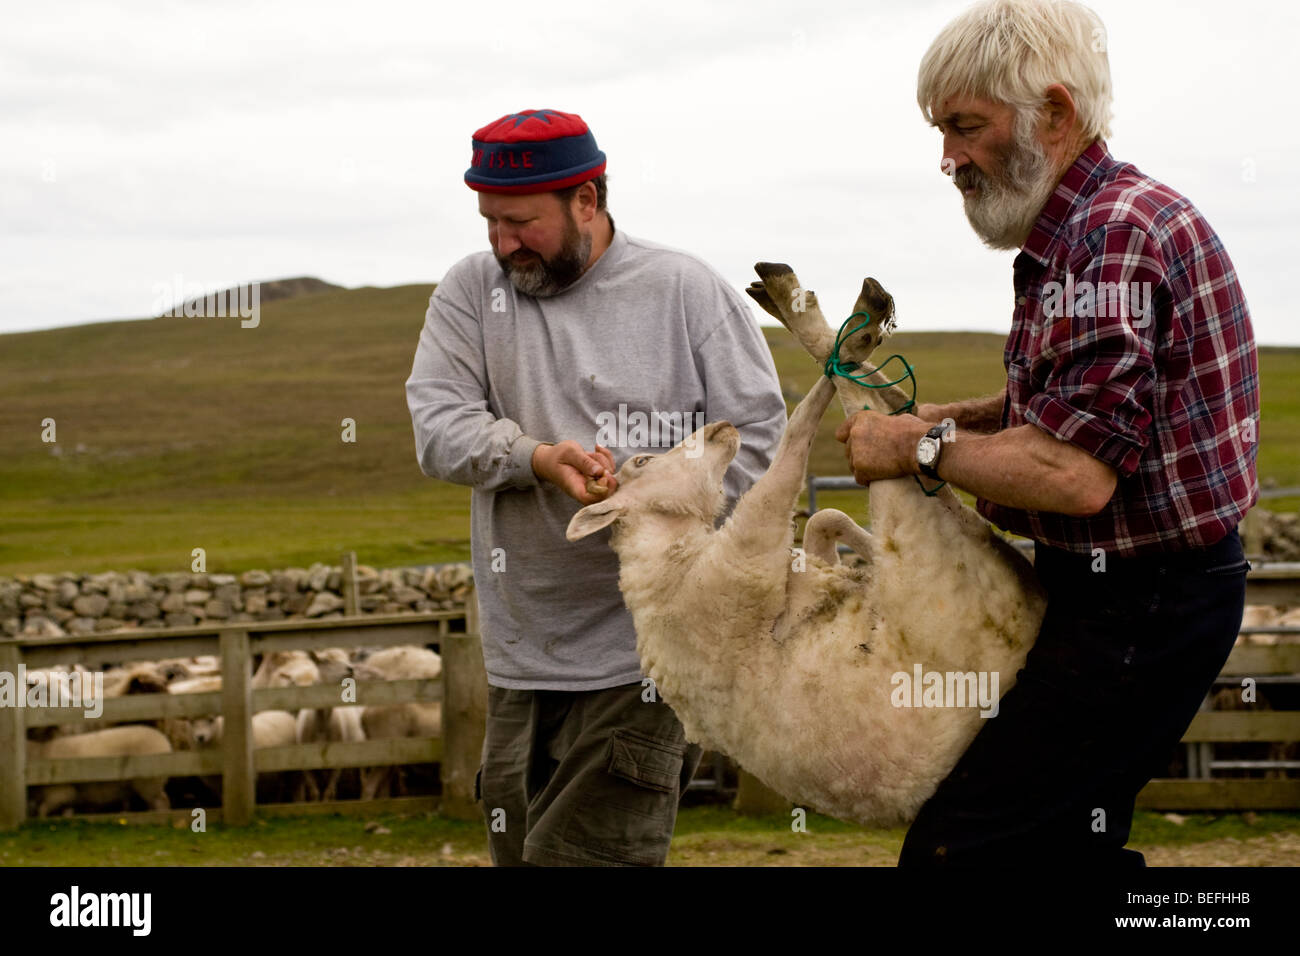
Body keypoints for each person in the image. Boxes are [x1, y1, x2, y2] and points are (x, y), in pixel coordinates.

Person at [834, 0, 1259, 866]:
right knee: (1060, 845)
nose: (947, 158)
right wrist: (954, 420)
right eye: (940, 130)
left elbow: (1075, 473)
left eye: (964, 127)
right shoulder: (1089, 227)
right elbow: (1077, 406)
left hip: (1146, 605)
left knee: (967, 850)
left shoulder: (1109, 237)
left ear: (1054, 114)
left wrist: (914, 450)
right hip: (1135, 595)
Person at [405, 108, 787, 866]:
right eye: (490, 221)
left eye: (522, 221)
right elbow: (438, 427)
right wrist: (538, 458)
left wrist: (653, 507)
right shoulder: (471, 294)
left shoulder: (687, 292)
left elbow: (760, 444)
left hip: (644, 656)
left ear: (587, 199)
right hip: (520, 657)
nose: (503, 242)